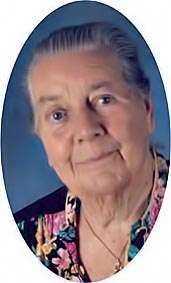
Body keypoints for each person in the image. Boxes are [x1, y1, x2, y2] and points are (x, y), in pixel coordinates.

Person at [15, 22, 169, 282]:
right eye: (58, 115)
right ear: (43, 141)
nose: (85, 129)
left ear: (147, 110)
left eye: (104, 99)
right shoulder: (23, 239)